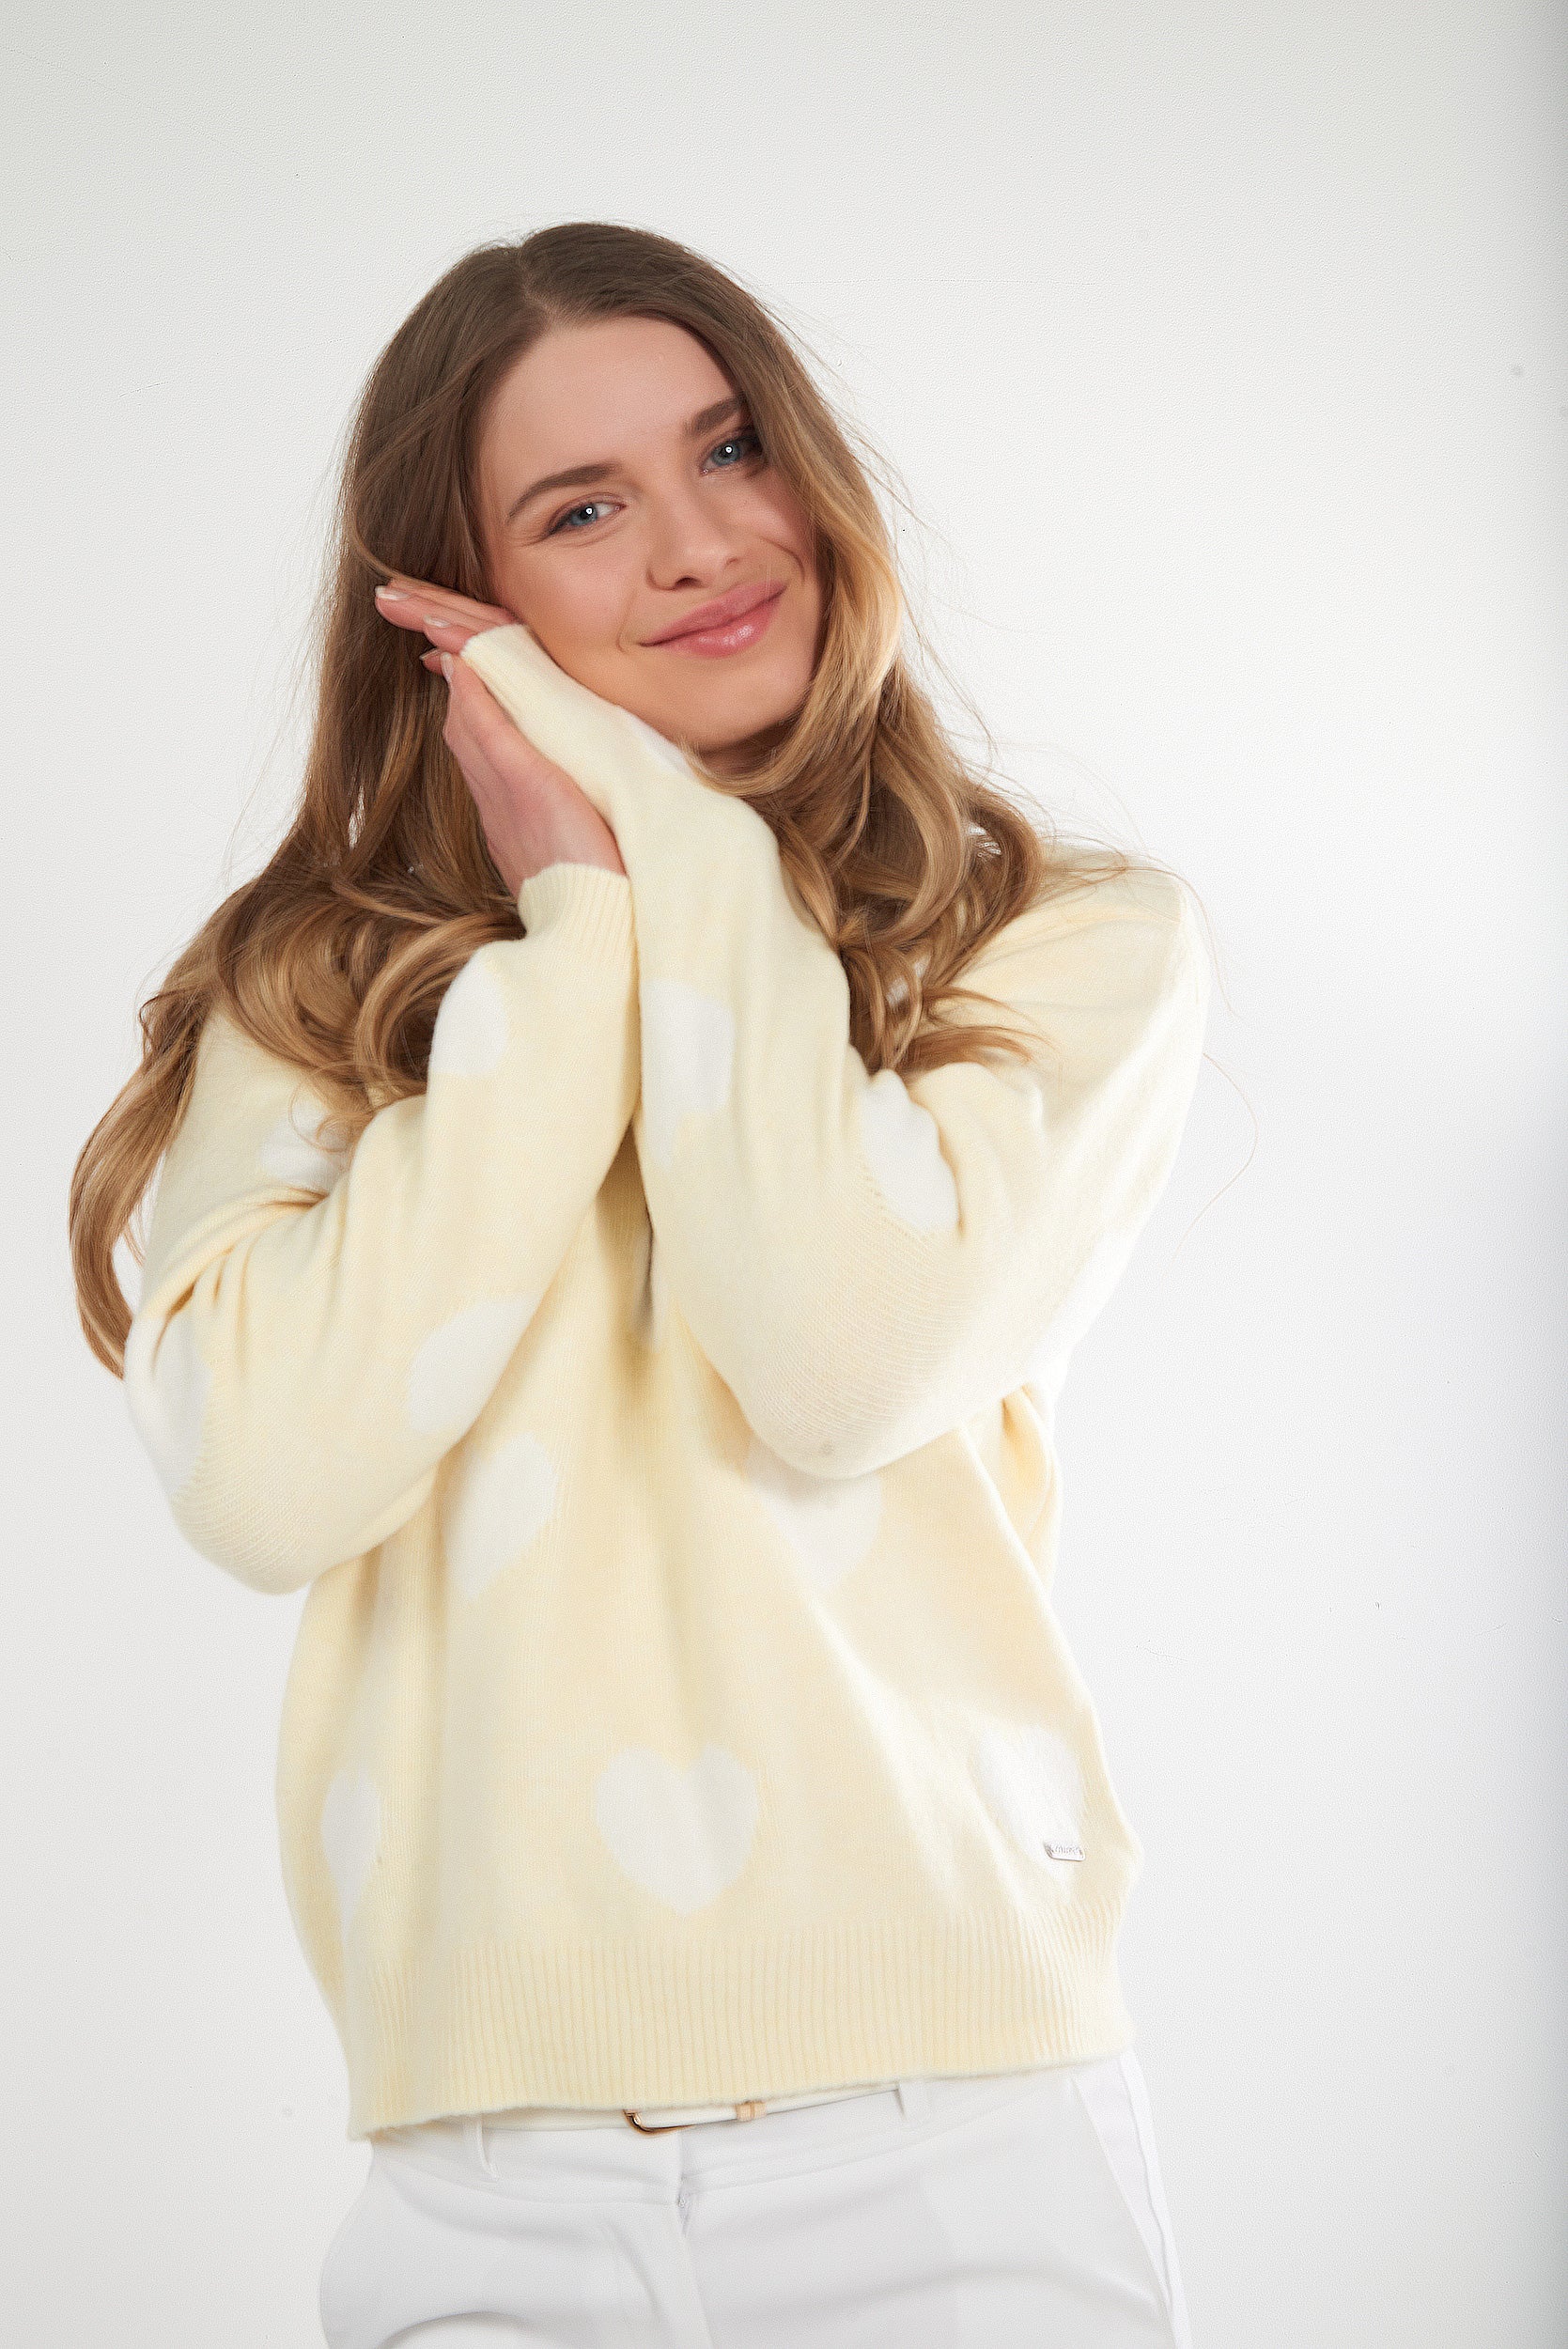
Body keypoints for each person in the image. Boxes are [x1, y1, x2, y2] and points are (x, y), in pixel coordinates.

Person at [69, 221, 1209, 2347]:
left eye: (731, 447)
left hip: (955, 2137)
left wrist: (665, 848)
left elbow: (834, 1359)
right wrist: (569, 949)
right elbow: (266, 1483)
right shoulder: (319, 1001)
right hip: (484, 2180)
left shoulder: (1055, 949)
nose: (698, 544)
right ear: (459, 609)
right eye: (583, 509)